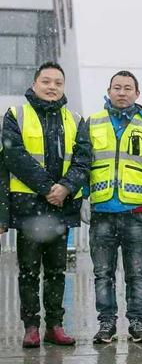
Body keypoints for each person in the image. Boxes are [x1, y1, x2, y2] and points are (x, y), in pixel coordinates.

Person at [2, 61, 91, 348]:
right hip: (29, 209)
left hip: (60, 210)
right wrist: (47, 188)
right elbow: (15, 157)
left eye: (58, 83)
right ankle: (31, 327)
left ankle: (55, 325)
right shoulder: (15, 115)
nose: (52, 87)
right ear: (34, 83)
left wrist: (65, 188)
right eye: (46, 81)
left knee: (56, 271)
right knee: (28, 271)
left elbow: (83, 160)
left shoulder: (75, 120)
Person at [81, 70, 142, 344]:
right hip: (102, 211)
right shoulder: (93, 122)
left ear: (137, 94)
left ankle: (136, 322)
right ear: (109, 90)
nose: (122, 92)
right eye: (117, 87)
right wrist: (83, 196)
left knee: (136, 274)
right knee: (103, 274)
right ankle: (106, 324)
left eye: (128, 88)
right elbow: (83, 164)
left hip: (135, 213)